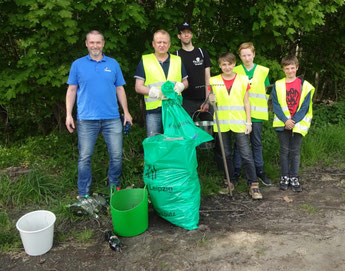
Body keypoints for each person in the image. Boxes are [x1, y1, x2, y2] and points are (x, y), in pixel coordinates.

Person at [65, 30, 133, 199]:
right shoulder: (77, 64)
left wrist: (126, 112)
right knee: (85, 157)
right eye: (91, 42)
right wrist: (68, 114)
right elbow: (71, 89)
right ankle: (83, 193)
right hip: (86, 119)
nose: (95, 45)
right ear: (86, 44)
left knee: (116, 155)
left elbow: (120, 89)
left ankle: (113, 188)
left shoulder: (113, 64)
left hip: (112, 117)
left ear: (103, 44)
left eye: (98, 42)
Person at [209, 52, 263, 200]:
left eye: (230, 64)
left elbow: (246, 102)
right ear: (220, 65)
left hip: (240, 122)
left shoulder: (242, 79)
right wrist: (210, 99)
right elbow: (210, 101)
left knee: (246, 154)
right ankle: (230, 181)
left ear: (234, 64)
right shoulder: (213, 81)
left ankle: (253, 185)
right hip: (222, 124)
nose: (227, 67)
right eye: (224, 64)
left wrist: (249, 121)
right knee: (226, 155)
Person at [272, 55, 315, 192]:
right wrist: (286, 121)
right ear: (283, 69)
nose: (290, 71)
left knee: (295, 152)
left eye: (292, 68)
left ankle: (294, 177)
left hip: (298, 123)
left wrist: (294, 121)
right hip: (282, 123)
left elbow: (305, 107)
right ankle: (285, 177)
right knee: (284, 151)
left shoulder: (306, 86)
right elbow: (276, 104)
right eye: (287, 68)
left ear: (297, 68)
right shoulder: (278, 84)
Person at [134, 30, 188, 137]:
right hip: (154, 110)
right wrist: (155, 93)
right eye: (159, 42)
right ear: (153, 44)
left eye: (165, 42)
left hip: (174, 108)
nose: (162, 45)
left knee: (175, 140)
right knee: (154, 142)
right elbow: (138, 87)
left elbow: (185, 81)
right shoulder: (146, 60)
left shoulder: (177, 60)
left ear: (169, 44)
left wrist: (181, 86)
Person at [232, 42, 272, 186]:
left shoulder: (262, 71)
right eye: (244, 55)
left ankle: (259, 170)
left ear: (254, 54)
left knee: (256, 143)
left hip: (257, 114)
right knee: (239, 144)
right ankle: (236, 172)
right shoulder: (235, 70)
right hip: (239, 114)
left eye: (249, 54)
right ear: (240, 56)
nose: (247, 58)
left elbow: (265, 90)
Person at [176, 22, 212, 120]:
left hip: (203, 100)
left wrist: (207, 100)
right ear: (179, 36)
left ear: (191, 35)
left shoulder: (202, 52)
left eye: (188, 32)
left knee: (210, 131)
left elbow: (208, 78)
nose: (186, 35)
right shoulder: (176, 55)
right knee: (187, 132)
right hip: (185, 101)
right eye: (183, 33)